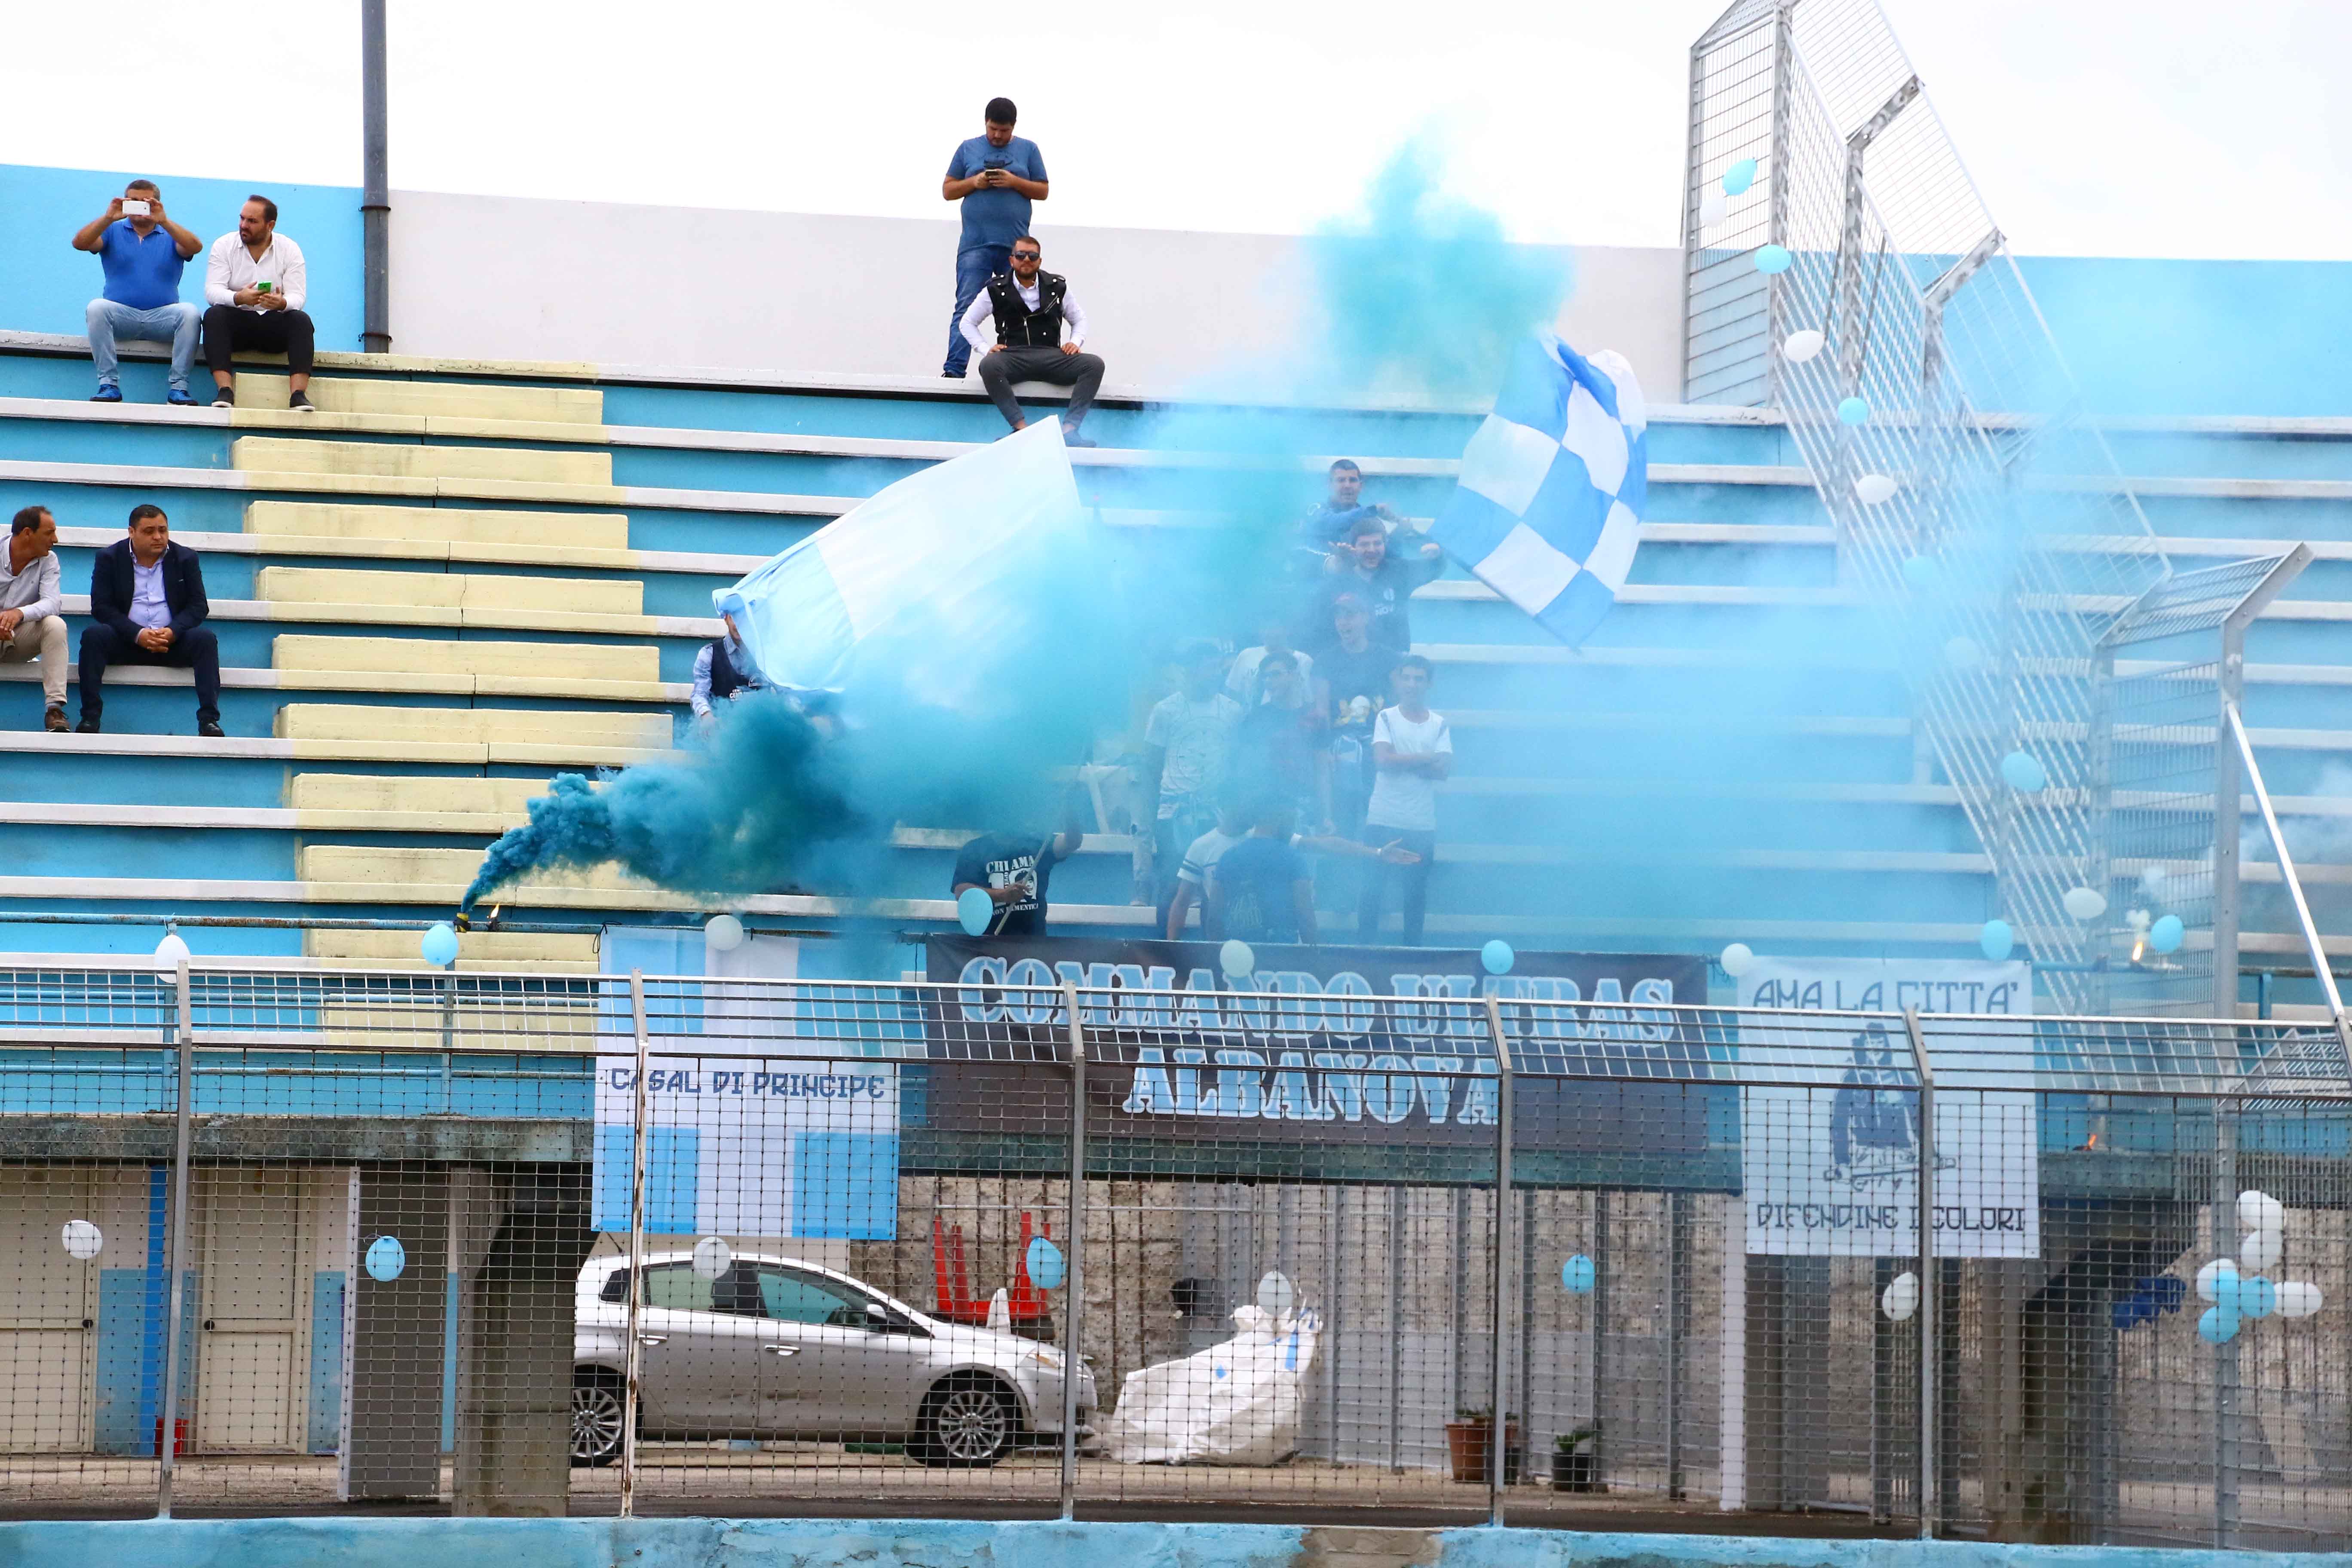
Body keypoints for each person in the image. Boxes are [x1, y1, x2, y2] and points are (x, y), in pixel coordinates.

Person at [1165, 791, 1421, 940]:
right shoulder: (1202, 846)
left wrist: (1376, 852)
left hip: (1240, 946)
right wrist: (1175, 949)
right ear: (1226, 808)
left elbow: (1328, 845)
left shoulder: (1268, 837)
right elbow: (1183, 901)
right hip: (1249, 944)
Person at [79, 503, 221, 737]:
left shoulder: (186, 558)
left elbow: (198, 606)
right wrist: (138, 634)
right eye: (149, 531)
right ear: (131, 532)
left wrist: (174, 631)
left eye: (163, 530)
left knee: (205, 639)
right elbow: (102, 607)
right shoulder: (109, 558)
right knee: (94, 636)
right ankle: (90, 717)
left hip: (171, 643)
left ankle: (209, 720)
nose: (158, 537)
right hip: (127, 641)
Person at [941, 98, 1049, 380]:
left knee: (1018, 307)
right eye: (993, 129)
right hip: (975, 245)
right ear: (985, 124)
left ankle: (1017, 372)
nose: (997, 136)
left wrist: (1014, 182)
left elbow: (1043, 190)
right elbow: (948, 190)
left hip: (1015, 250)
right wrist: (974, 183)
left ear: (1013, 127)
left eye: (1003, 130)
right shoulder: (968, 148)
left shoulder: (1029, 150)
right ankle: (954, 371)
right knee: (966, 306)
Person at [962, 237, 1105, 447]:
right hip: (1013, 357)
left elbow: (1079, 319)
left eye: (1032, 256)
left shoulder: (1057, 287)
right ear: (1012, 260)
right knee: (989, 365)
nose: (1026, 260)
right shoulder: (995, 289)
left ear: (1040, 261)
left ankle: (1069, 433)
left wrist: (1075, 342)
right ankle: (1021, 430)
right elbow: (967, 323)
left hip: (1053, 357)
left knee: (1094, 365)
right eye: (1021, 255)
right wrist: (985, 349)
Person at [72, 180, 203, 406]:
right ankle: (109, 384)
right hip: (122, 317)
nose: (140, 206)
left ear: (157, 204)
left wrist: (164, 221)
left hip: (162, 318)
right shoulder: (112, 230)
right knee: (97, 308)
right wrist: (108, 217)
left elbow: (195, 247)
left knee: (190, 313)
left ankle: (179, 387)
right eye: (133, 201)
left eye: (146, 202)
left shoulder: (171, 233)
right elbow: (80, 243)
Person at [1140, 640, 1243, 910]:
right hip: (1174, 813)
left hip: (1216, 814)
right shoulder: (1166, 710)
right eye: (1210, 668)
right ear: (1190, 670)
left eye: (1219, 668)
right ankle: (1165, 948)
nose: (1217, 674)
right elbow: (1151, 765)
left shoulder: (1233, 710)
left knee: (1216, 889)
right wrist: (1153, 813)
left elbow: (1238, 762)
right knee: (1173, 887)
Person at [1358, 655, 1451, 946]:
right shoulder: (1385, 717)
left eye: (1419, 679)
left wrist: (1402, 760)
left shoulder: (1439, 723)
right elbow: (1383, 761)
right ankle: (1364, 957)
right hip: (1383, 818)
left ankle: (1412, 957)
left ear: (1429, 684)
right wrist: (1424, 758)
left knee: (1415, 896)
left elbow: (1444, 771)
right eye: (1407, 678)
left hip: (1421, 824)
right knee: (1372, 892)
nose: (1412, 684)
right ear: (1398, 681)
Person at [202, 196, 313, 410]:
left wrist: (282, 304)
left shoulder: (290, 249)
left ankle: (298, 395)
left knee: (301, 320)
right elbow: (212, 291)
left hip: (273, 326)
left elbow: (298, 297)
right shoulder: (224, 245)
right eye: (242, 219)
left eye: (252, 221)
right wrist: (238, 298)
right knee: (213, 315)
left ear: (270, 225)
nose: (244, 225)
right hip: (237, 326)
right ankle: (225, 391)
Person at [1311, 595, 1397, 834]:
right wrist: (1324, 748)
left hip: (1378, 746)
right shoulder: (1325, 661)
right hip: (1341, 748)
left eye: (1350, 615)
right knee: (1344, 818)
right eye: (1339, 616)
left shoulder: (1389, 658)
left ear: (1366, 618)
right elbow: (1322, 710)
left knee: (1379, 819)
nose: (1343, 622)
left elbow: (1397, 706)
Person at [951, 794, 1089, 937]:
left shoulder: (1038, 843)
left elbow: (1072, 842)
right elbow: (961, 891)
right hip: (990, 943)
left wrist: (1069, 809)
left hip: (1034, 942)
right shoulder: (975, 849)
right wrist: (1003, 895)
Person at [1306, 514, 1444, 652]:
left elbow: (1434, 569)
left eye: (1377, 543)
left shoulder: (1399, 571)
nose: (1372, 550)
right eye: (1364, 544)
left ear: (1385, 545)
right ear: (1353, 547)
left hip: (1394, 659)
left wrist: (1437, 556)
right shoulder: (1341, 578)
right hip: (1353, 660)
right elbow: (1320, 620)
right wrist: (1338, 564)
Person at [1233, 651, 1330, 830]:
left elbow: (1322, 772)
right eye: (1266, 677)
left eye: (1276, 674)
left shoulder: (1315, 719)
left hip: (1304, 808)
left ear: (1294, 675)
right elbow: (1243, 769)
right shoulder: (1256, 718)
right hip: (1264, 809)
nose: (1269, 681)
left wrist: (1326, 816)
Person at [1206, 800, 1318, 947]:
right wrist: (1315, 958)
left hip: (1237, 959)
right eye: (1291, 819)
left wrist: (1217, 956)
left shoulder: (1228, 857)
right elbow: (1305, 916)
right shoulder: (1293, 858)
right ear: (1279, 818)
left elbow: (1214, 916)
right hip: (1282, 956)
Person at [0, 506, 67, 732]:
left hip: (18, 637)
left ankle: (54, 709)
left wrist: (19, 614)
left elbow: (52, 603)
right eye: (50, 533)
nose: (55, 540)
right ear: (28, 533)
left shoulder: (49, 560)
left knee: (55, 624)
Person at [1295, 459, 1402, 573]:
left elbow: (1387, 557)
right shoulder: (1315, 510)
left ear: (1361, 486)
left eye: (1352, 480)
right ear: (1329, 485)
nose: (1347, 485)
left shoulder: (1368, 518)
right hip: (1316, 579)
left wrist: (1400, 533)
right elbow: (1333, 523)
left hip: (1358, 585)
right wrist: (1374, 510)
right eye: (1341, 480)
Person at [689, 611, 765, 728]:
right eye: (735, 618)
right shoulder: (709, 654)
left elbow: (783, 691)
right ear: (726, 619)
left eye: (744, 619)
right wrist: (706, 716)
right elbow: (699, 694)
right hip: (721, 735)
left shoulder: (766, 656)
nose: (739, 624)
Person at [1225, 611, 1313, 710]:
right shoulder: (1247, 655)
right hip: (1253, 720)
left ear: (1287, 630)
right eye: (1264, 628)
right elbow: (1232, 693)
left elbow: (1308, 698)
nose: (1268, 633)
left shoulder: (1303, 660)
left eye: (1274, 628)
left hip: (1291, 720)